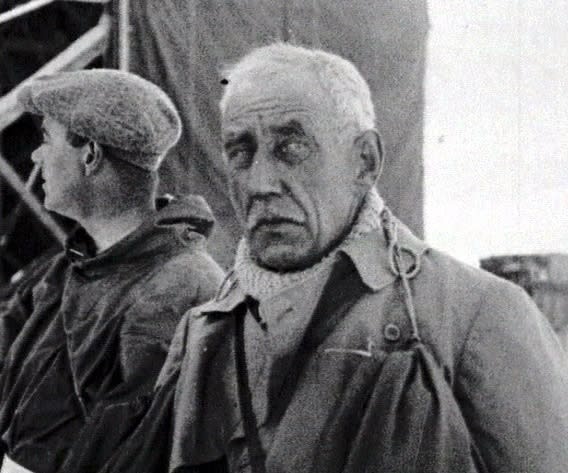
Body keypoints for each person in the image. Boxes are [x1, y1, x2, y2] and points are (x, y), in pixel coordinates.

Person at [84, 44, 568, 473]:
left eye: (292, 147)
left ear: (365, 162)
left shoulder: (473, 314)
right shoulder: (203, 333)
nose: (260, 183)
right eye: (240, 151)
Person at [0, 69, 224, 473]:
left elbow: (130, 454)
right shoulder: (74, 266)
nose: (35, 156)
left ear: (90, 155)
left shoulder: (178, 291)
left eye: (46, 139)